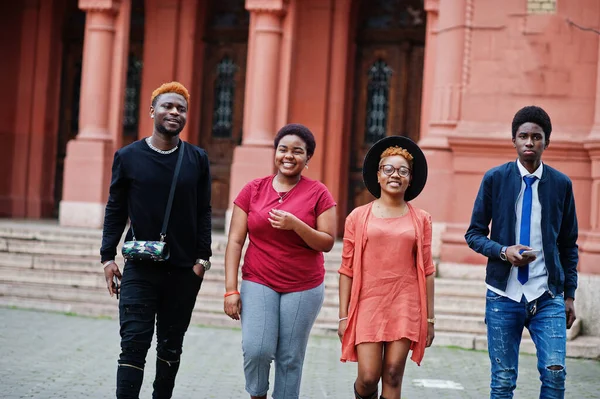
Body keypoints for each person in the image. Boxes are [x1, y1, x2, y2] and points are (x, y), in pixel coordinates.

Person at [100, 81, 212, 399]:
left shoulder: (197, 159)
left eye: (181, 108)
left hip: (182, 272)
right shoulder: (128, 157)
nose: (174, 112)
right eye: (167, 106)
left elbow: (204, 211)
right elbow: (116, 209)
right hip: (139, 267)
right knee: (133, 343)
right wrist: (108, 257)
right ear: (152, 111)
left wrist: (202, 261)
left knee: (170, 346)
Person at [465, 105, 578, 399]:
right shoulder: (495, 179)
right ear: (513, 141)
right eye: (523, 136)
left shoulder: (562, 185)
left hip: (547, 295)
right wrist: (503, 251)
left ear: (546, 142)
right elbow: (473, 234)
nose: (529, 142)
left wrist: (569, 295)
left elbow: (568, 244)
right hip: (503, 295)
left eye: (536, 137)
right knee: (502, 381)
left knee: (555, 374)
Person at [223, 123, 337, 399]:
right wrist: (230, 289)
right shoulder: (253, 190)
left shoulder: (318, 193)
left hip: (303, 285)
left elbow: (327, 242)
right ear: (275, 153)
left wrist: (297, 225)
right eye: (283, 149)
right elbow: (235, 241)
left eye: (298, 151)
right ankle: (257, 394)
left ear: (307, 158)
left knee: (289, 357)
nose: (289, 156)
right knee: (257, 349)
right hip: (259, 279)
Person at [338, 136, 435, 399]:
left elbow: (427, 270)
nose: (396, 175)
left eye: (403, 171)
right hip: (369, 302)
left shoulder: (421, 219)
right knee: (368, 377)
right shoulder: (358, 217)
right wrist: (343, 316)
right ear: (378, 176)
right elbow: (346, 269)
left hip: (405, 303)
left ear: (410, 179)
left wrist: (429, 320)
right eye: (389, 169)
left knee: (392, 374)